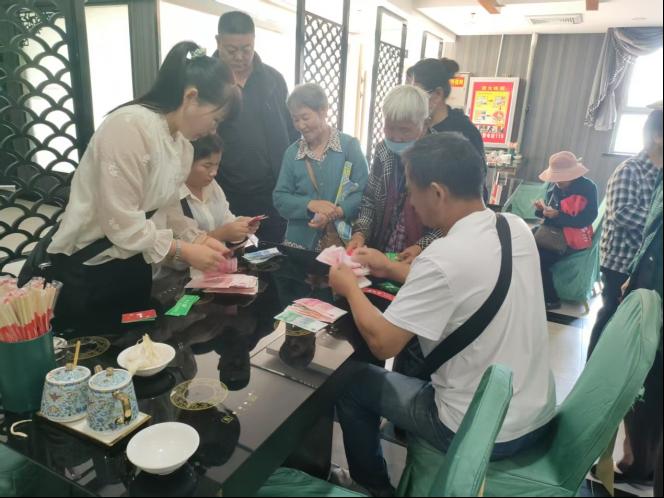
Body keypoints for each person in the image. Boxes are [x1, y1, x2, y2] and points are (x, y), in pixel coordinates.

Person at [329, 132, 555, 496]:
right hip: (535, 411)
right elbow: (463, 283)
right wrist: (389, 268)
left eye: (411, 191)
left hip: (477, 429)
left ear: (437, 192)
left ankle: (372, 487)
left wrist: (350, 288)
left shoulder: (442, 256)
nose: (410, 202)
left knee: (352, 383)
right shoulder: (513, 227)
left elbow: (383, 342)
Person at [47, 42, 240, 324]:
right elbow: (122, 223)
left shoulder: (181, 146)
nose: (214, 129)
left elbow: (169, 211)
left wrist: (200, 239)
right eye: (215, 118)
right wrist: (183, 249)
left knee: (137, 336)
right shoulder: (129, 126)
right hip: (91, 266)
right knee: (101, 343)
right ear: (191, 96)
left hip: (134, 263)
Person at [215, 11, 299, 244]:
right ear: (218, 42)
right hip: (224, 194)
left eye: (247, 49)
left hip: (271, 193)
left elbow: (291, 132)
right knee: (230, 257)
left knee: (274, 255)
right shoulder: (208, 81)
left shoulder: (273, 79)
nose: (240, 57)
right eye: (232, 50)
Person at [588, 109, 663, 357]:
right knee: (611, 318)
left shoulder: (659, 175)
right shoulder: (630, 170)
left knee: (635, 326)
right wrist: (657, 223)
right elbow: (622, 214)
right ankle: (593, 371)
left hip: (647, 265)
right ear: (657, 137)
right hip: (620, 262)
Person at [347, 85, 441, 262]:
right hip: (382, 250)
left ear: (424, 125)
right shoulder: (383, 151)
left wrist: (421, 246)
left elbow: (451, 217)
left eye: (404, 130)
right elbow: (370, 200)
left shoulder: (442, 156)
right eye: (389, 127)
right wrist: (360, 233)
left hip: (423, 258)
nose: (396, 137)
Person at [273, 83, 368, 251]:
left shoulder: (349, 147)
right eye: (295, 119)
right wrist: (310, 205)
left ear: (323, 111)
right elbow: (280, 198)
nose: (300, 125)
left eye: (305, 117)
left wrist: (336, 212)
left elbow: (364, 193)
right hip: (299, 243)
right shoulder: (292, 153)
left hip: (339, 242)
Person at [535, 151, 598, 310]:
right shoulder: (555, 187)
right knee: (524, 245)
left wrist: (558, 215)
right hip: (554, 233)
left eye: (561, 177)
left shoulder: (588, 188)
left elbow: (587, 219)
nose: (557, 181)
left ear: (573, 174)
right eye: (555, 177)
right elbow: (551, 216)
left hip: (574, 238)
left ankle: (551, 299)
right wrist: (542, 210)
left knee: (539, 259)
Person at [174, 134, 258, 247]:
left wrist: (241, 225)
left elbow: (225, 219)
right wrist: (221, 234)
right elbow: (181, 244)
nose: (214, 172)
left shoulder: (212, 185)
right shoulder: (173, 195)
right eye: (207, 166)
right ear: (186, 163)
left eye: (217, 164)